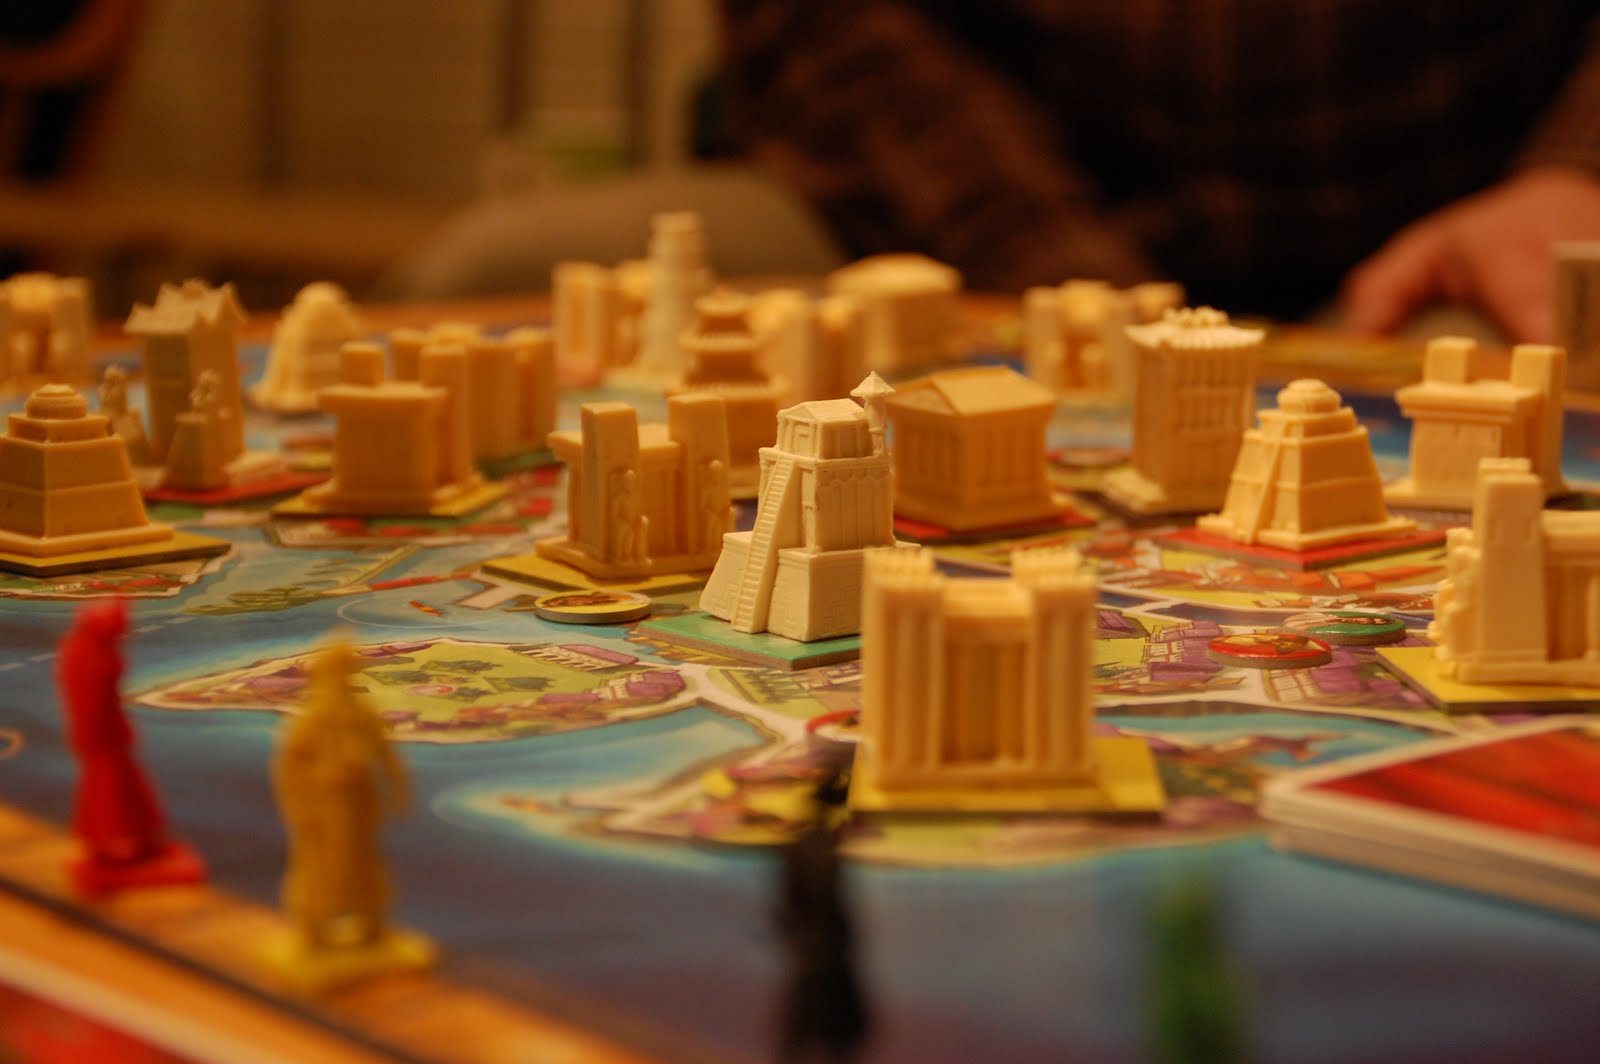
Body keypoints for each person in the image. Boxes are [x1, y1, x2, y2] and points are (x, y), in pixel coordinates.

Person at [719, 2, 1600, 341]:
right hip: (981, 198)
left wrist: (1574, 167)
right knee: (677, 249)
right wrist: (1044, 257)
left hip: (1443, 228)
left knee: (1510, 363)